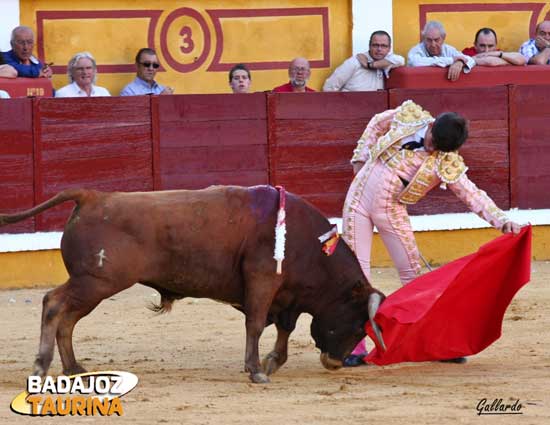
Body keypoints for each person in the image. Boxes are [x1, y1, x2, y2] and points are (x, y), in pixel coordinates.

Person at [342, 100, 521, 366]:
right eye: (432, 141)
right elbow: (377, 121)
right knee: (356, 275)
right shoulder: (409, 116)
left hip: (391, 209)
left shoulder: (445, 161)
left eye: (439, 148)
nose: (432, 148)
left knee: (415, 275)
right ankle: (354, 346)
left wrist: (502, 221)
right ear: (432, 125)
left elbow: (471, 195)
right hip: (357, 199)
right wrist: (360, 156)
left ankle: (438, 343)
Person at [323, 31, 404, 92]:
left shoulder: (387, 62)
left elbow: (400, 60)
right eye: (375, 45)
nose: (379, 49)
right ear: (369, 46)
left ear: (389, 48)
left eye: (383, 46)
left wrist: (369, 65)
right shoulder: (354, 62)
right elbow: (329, 87)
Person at [408, 21, 475, 81]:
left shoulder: (449, 49)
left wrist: (460, 62)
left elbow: (471, 60)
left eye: (436, 40)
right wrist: (451, 60)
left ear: (443, 38)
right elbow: (415, 62)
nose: (433, 44)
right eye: (429, 40)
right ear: (423, 38)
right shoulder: (416, 50)